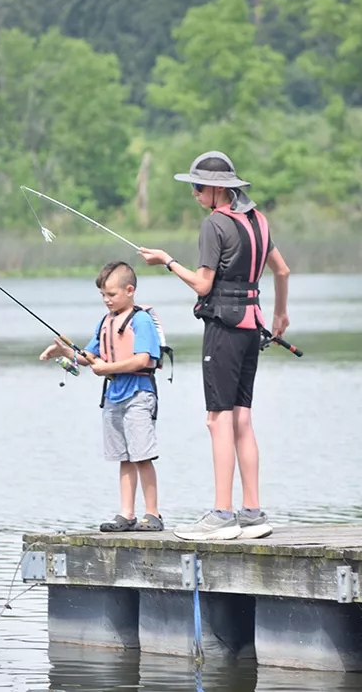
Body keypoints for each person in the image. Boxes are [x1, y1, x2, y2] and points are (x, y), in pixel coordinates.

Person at [139, 151, 290, 541]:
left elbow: (203, 285)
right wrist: (279, 316)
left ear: (216, 189)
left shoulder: (215, 224)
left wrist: (167, 261)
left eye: (196, 186)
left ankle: (222, 516)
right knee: (242, 417)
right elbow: (282, 270)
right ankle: (252, 513)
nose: (194, 193)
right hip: (253, 326)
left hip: (224, 327)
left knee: (218, 419)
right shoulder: (259, 220)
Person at [39, 261, 164, 532]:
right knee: (124, 456)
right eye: (103, 295)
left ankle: (152, 514)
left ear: (129, 290)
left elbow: (143, 359)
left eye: (111, 294)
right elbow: (89, 357)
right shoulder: (105, 322)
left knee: (142, 455)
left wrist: (107, 368)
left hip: (139, 395)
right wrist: (64, 353)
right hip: (113, 397)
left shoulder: (141, 320)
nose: (106, 300)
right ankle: (126, 514)